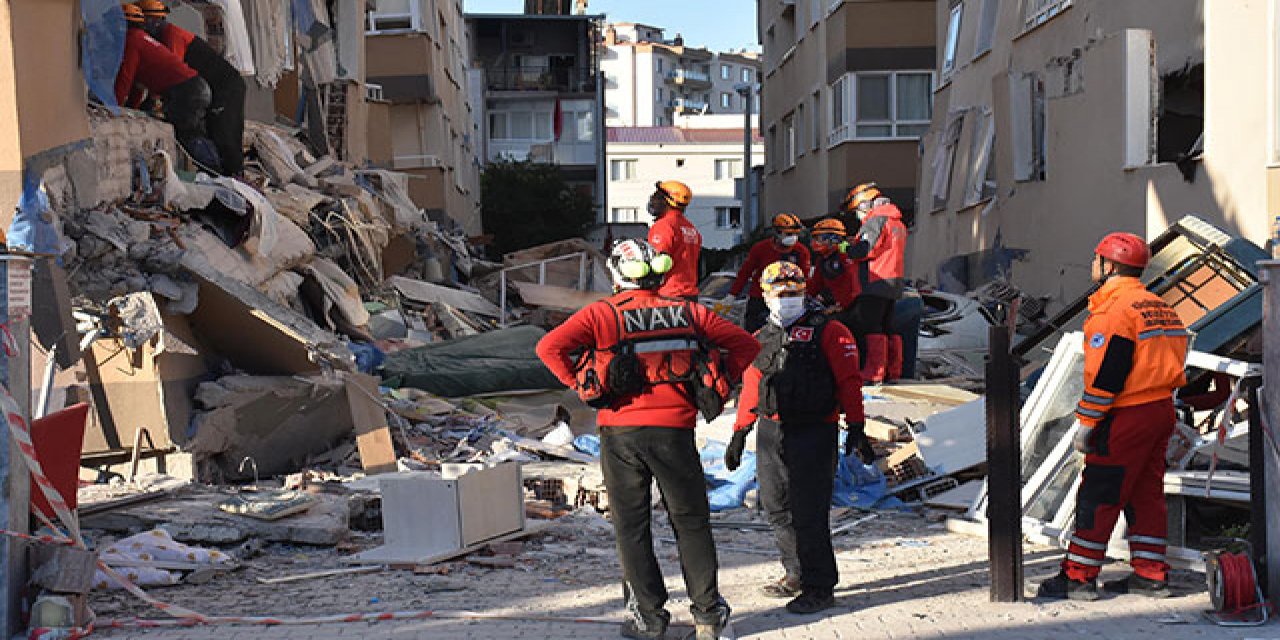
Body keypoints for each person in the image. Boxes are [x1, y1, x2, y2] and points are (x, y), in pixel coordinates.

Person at [536, 239, 759, 640]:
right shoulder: (690, 313)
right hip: (675, 431)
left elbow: (549, 347)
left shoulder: (602, 315)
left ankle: (649, 620)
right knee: (691, 524)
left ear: (618, 273)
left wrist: (583, 386)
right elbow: (747, 344)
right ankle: (707, 616)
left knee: (632, 527)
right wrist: (719, 382)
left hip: (620, 433)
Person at [1036, 232, 1189, 601]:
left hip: (1127, 413)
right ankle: (1151, 575)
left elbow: (1108, 373)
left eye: (1096, 258)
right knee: (1145, 494)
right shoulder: (1159, 306)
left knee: (1099, 494)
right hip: (1160, 409)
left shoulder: (1113, 312)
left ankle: (1078, 577)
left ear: (1110, 265)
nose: (1093, 265)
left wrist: (1087, 422)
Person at [725, 261, 871, 615]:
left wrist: (856, 426)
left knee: (809, 511)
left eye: (793, 293)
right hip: (772, 430)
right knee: (776, 506)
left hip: (814, 430)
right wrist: (740, 432)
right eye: (780, 293)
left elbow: (849, 382)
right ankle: (795, 573)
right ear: (765, 294)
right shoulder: (761, 338)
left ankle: (820, 586)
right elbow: (751, 387)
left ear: (804, 293)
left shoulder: (831, 332)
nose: (786, 299)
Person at [137, 0, 247, 176]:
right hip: (211, 87)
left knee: (225, 134)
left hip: (226, 86)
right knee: (211, 131)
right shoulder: (159, 38)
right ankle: (220, 177)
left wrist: (152, 99)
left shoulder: (171, 34)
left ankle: (233, 177)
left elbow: (172, 70)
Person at [115, 4, 213, 164]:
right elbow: (137, 83)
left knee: (188, 137)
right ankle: (211, 171)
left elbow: (126, 77)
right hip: (194, 87)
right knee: (190, 135)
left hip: (186, 91)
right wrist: (131, 107)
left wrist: (115, 108)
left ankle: (214, 172)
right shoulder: (141, 39)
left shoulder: (132, 41)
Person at [842, 183, 908, 384]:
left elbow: (865, 250)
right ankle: (893, 372)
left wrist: (846, 248)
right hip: (893, 279)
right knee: (889, 327)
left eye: (856, 211)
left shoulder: (876, 220)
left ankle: (874, 373)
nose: (857, 216)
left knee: (872, 326)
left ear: (864, 204)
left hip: (876, 279)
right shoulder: (896, 221)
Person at [725, 213, 811, 332]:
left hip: (787, 299)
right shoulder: (760, 248)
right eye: (789, 234)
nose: (793, 238)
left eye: (796, 234)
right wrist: (733, 294)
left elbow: (805, 278)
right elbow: (745, 272)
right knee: (754, 332)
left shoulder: (801, 251)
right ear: (777, 233)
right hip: (760, 298)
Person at [647, 180, 702, 300]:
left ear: (667, 201)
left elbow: (657, 264)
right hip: (690, 295)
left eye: (657, 196)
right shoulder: (691, 228)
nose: (652, 200)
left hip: (668, 295)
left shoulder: (664, 226)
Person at [806, 218, 860, 327]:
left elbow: (853, 286)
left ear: (833, 239)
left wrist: (840, 306)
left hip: (852, 307)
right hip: (833, 305)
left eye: (818, 238)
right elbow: (815, 285)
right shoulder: (822, 259)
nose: (814, 242)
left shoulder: (846, 257)